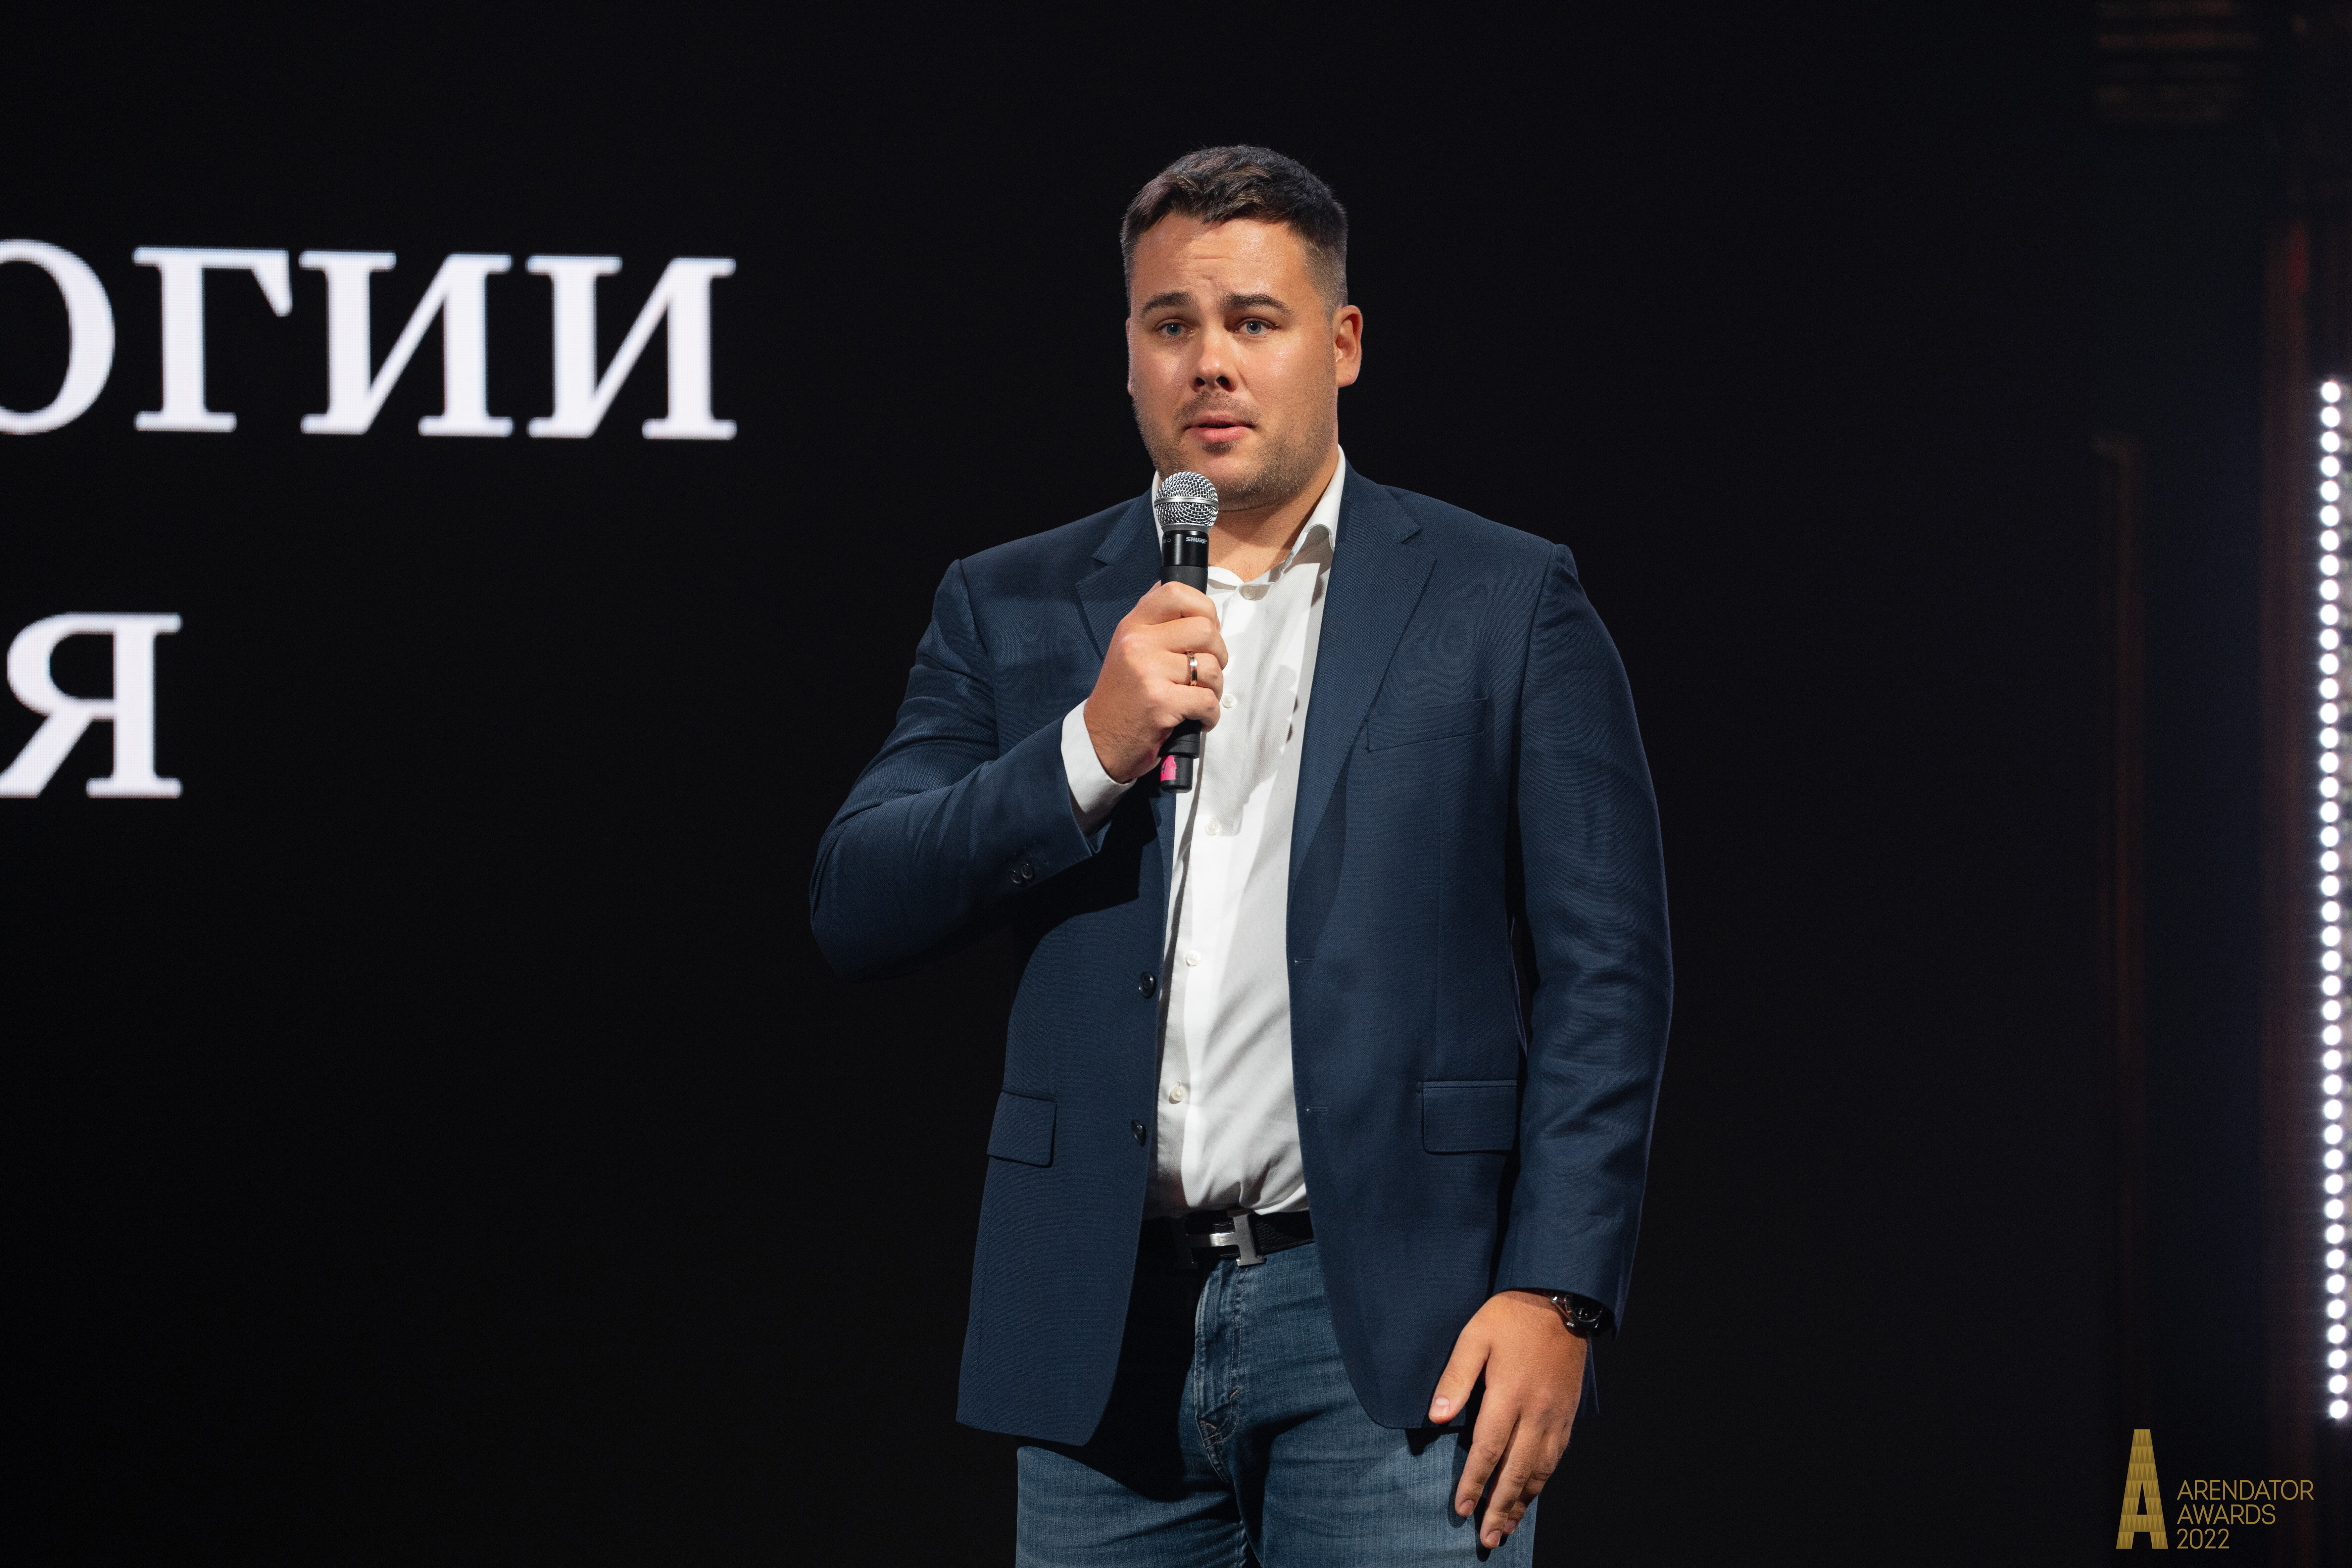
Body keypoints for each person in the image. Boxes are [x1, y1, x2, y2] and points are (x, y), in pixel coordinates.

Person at [810, 145, 1671, 1565]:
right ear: (1130, 355)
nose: (1210, 360)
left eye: (1254, 320)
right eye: (1173, 323)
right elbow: (859, 899)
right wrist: (1090, 745)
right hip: (1104, 1341)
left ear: (1342, 344)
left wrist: (1560, 1293)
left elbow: (1609, 976)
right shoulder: (1009, 602)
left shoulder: (1506, 598)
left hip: (1396, 1326)